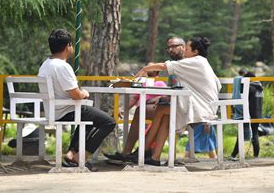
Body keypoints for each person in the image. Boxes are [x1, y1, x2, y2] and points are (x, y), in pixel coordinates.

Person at [135, 36, 221, 166]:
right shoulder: (201, 61)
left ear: (195, 51)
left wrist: (145, 69)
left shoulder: (195, 61)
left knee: (161, 109)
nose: (185, 51)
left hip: (202, 108)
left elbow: (165, 66)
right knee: (165, 116)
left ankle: (144, 149)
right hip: (205, 105)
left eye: (187, 48)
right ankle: (155, 157)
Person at [38, 29, 116, 167]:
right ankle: (80, 157)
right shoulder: (62, 67)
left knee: (87, 115)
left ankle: (70, 153)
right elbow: (76, 95)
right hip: (65, 112)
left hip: (53, 111)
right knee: (108, 122)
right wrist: (84, 93)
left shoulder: (45, 65)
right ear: (68, 46)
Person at [104, 37, 186, 163]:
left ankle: (143, 151)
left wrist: (161, 97)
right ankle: (130, 152)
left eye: (174, 46)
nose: (170, 50)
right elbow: (175, 89)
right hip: (172, 104)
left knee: (153, 111)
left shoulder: (186, 64)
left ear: (184, 47)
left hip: (184, 107)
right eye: (168, 47)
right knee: (140, 110)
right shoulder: (174, 67)